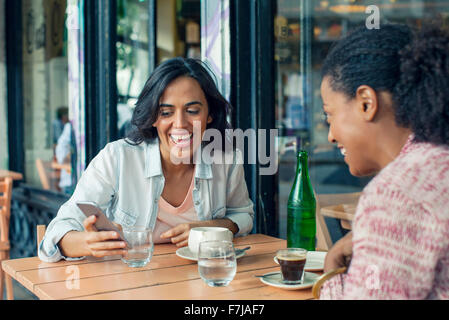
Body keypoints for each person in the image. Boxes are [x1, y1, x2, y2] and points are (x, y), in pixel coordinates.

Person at [38, 58, 254, 262]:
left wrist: (210, 228)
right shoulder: (117, 157)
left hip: (205, 282)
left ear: (210, 114)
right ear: (153, 118)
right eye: (166, 113)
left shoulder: (226, 159)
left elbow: (243, 215)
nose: (179, 123)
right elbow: (55, 234)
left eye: (192, 110)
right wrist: (87, 244)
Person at [319, 22, 449, 299]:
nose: (330, 135)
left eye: (330, 115)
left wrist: (331, 273)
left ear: (366, 102)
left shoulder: (396, 193)